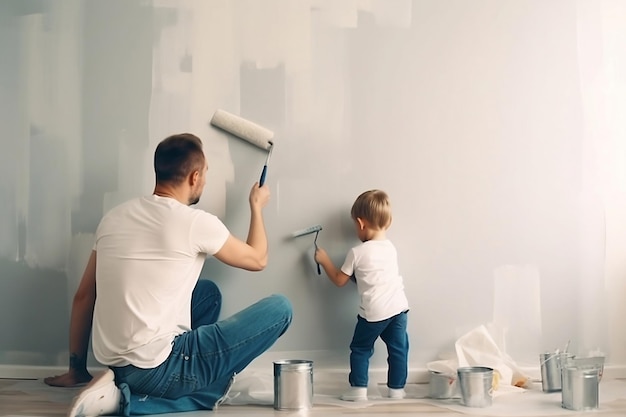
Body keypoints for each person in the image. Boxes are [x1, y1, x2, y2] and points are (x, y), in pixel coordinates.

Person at [44, 133, 292, 416]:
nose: (207, 181)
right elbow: (258, 258)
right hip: (157, 368)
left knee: (207, 294)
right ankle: (127, 401)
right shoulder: (195, 222)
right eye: (207, 173)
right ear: (194, 177)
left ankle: (124, 382)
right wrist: (256, 207)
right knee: (281, 308)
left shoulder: (113, 217)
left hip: (115, 362)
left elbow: (84, 296)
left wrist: (76, 370)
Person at [314, 189, 409, 401]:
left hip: (374, 312)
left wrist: (325, 260)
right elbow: (375, 276)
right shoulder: (391, 248)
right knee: (398, 349)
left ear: (360, 223)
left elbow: (340, 280)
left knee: (361, 348)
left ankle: (358, 390)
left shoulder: (357, 252)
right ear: (389, 221)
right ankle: (396, 390)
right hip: (399, 308)